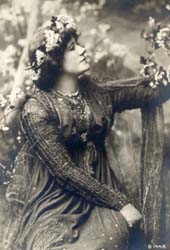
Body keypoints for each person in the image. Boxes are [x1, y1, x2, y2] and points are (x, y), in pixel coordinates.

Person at [3, 15, 170, 250]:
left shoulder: (94, 92)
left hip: (100, 192)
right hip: (56, 200)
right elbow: (64, 171)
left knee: (111, 239)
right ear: (55, 60)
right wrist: (121, 203)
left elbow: (148, 92)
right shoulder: (37, 109)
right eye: (72, 48)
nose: (82, 50)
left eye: (78, 44)